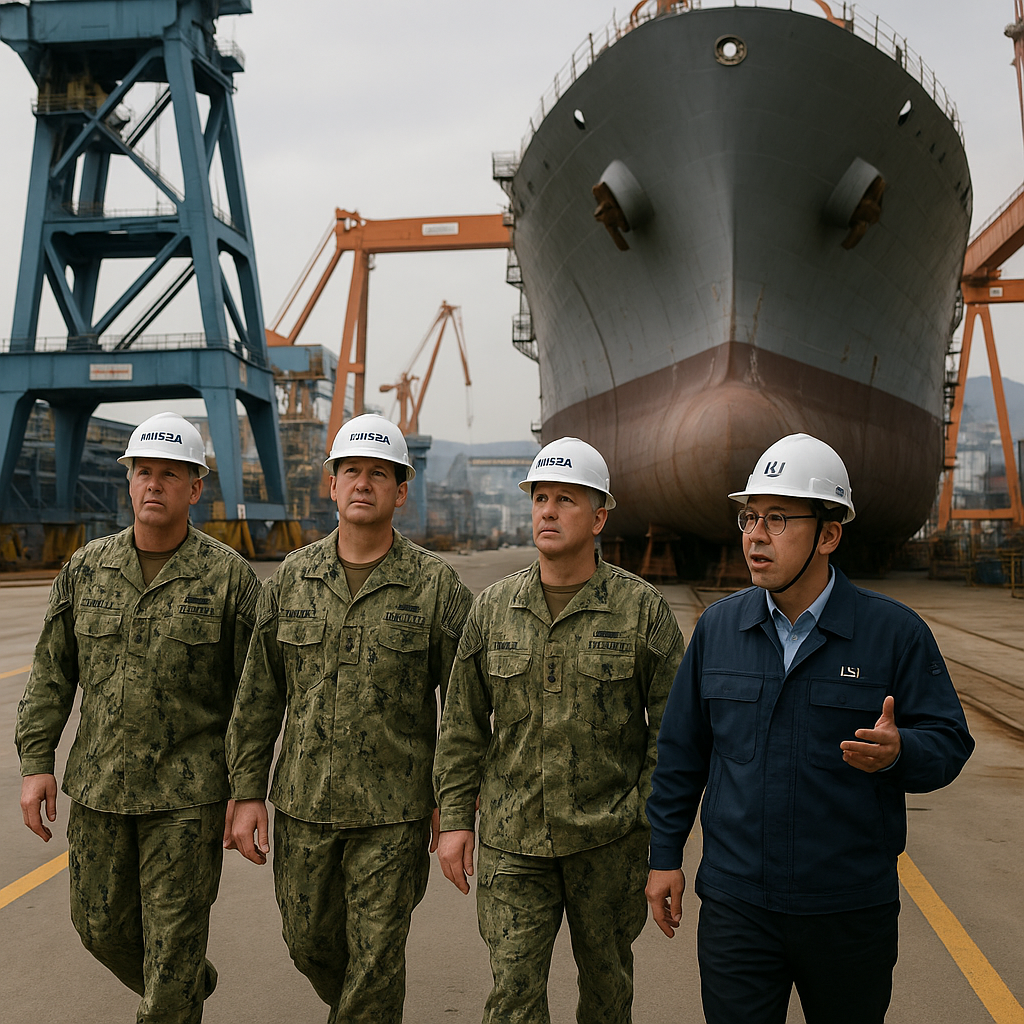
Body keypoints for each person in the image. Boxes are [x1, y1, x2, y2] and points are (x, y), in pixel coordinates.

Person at [645, 432, 975, 1024]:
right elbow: (680, 756)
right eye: (749, 517)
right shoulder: (718, 632)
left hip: (848, 910)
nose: (754, 535)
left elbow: (949, 742)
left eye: (777, 519)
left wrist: (902, 752)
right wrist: (664, 856)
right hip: (737, 906)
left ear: (828, 534)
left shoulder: (893, 635)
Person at [226, 413, 472, 1024]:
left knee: (377, 956)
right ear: (331, 486)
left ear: (401, 491)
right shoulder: (290, 580)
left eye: (379, 473)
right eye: (351, 471)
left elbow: (466, 708)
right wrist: (246, 792)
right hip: (304, 805)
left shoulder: (437, 587)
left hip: (395, 813)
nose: (363, 483)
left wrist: (454, 804)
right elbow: (259, 696)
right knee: (308, 943)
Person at [16, 411, 260, 1024]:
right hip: (99, 789)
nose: (154, 484)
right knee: (99, 927)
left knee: (174, 940)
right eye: (143, 472)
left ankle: (174, 991)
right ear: (129, 481)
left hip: (190, 796)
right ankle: (184, 985)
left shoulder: (229, 578)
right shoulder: (86, 568)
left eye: (170, 474)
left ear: (195, 487)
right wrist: (35, 763)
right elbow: (51, 672)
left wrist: (247, 788)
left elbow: (255, 696)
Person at [434, 436, 685, 1024]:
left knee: (606, 996)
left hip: (609, 841)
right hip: (512, 841)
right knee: (513, 1000)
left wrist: (652, 827)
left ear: (598, 516)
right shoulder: (493, 608)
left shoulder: (640, 610)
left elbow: (671, 736)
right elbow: (462, 725)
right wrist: (453, 821)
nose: (547, 510)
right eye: (540, 497)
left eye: (565, 499)